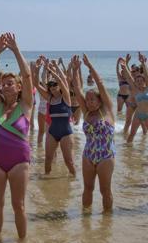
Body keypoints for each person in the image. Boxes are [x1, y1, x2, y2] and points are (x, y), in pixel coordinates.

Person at [0, 33, 33, 239]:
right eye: (4, 83)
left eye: (11, 83)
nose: (6, 85)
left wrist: (15, 50)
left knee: (18, 205)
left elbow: (28, 75)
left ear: (19, 87)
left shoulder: (26, 105)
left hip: (19, 162)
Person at [71, 54, 115, 212]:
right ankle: (85, 220)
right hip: (88, 155)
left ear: (100, 100)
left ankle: (106, 221)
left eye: (92, 100)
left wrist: (89, 66)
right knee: (87, 188)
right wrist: (75, 70)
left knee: (105, 191)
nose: (88, 102)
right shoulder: (86, 112)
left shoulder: (107, 110)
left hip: (106, 156)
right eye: (87, 100)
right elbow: (76, 88)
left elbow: (101, 84)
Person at [33, 59, 76, 176]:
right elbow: (36, 84)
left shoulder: (66, 97)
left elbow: (63, 81)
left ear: (59, 86)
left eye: (54, 84)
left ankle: (74, 178)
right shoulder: (50, 98)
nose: (52, 86)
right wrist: (37, 69)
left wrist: (53, 69)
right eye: (50, 85)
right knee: (48, 159)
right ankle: (47, 181)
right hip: (52, 132)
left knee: (69, 161)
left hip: (66, 133)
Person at [121, 56, 148, 144]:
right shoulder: (135, 90)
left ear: (144, 81)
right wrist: (125, 67)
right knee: (132, 134)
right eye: (137, 81)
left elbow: (146, 75)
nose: (139, 82)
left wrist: (143, 63)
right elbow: (129, 78)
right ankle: (128, 152)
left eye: (141, 80)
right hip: (138, 114)